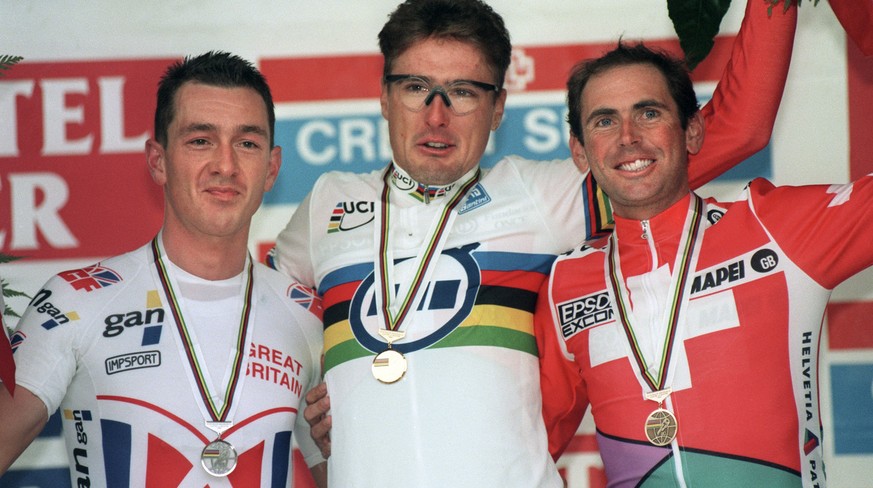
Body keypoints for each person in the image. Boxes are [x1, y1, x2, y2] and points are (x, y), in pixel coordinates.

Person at [269, 0, 796, 486]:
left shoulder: (539, 196)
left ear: (498, 108)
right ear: (384, 97)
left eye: (463, 92)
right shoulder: (327, 205)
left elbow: (736, 129)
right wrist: (312, 399)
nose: (436, 115)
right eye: (414, 87)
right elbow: (259, 326)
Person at [535, 41, 873, 487]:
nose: (628, 137)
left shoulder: (774, 229)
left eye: (649, 113)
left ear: (692, 131)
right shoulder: (565, 285)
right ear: (580, 151)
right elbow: (525, 446)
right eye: (604, 121)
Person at [0, 51, 327, 488]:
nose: (225, 165)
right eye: (200, 140)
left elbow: (344, 471)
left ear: (271, 168)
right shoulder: (75, 301)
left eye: (247, 143)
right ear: (158, 161)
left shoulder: (306, 316)